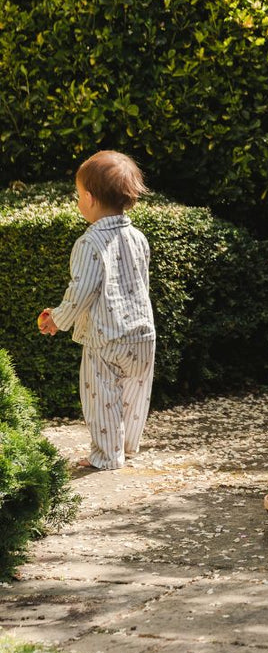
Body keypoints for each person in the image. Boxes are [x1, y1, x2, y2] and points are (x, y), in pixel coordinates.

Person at [37, 150, 156, 474]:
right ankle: (127, 446)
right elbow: (141, 286)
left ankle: (106, 455)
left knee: (101, 397)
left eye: (78, 196)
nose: (78, 202)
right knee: (135, 394)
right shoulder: (138, 238)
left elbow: (81, 293)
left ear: (89, 198)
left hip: (106, 337)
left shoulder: (89, 244)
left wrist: (57, 320)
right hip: (143, 333)